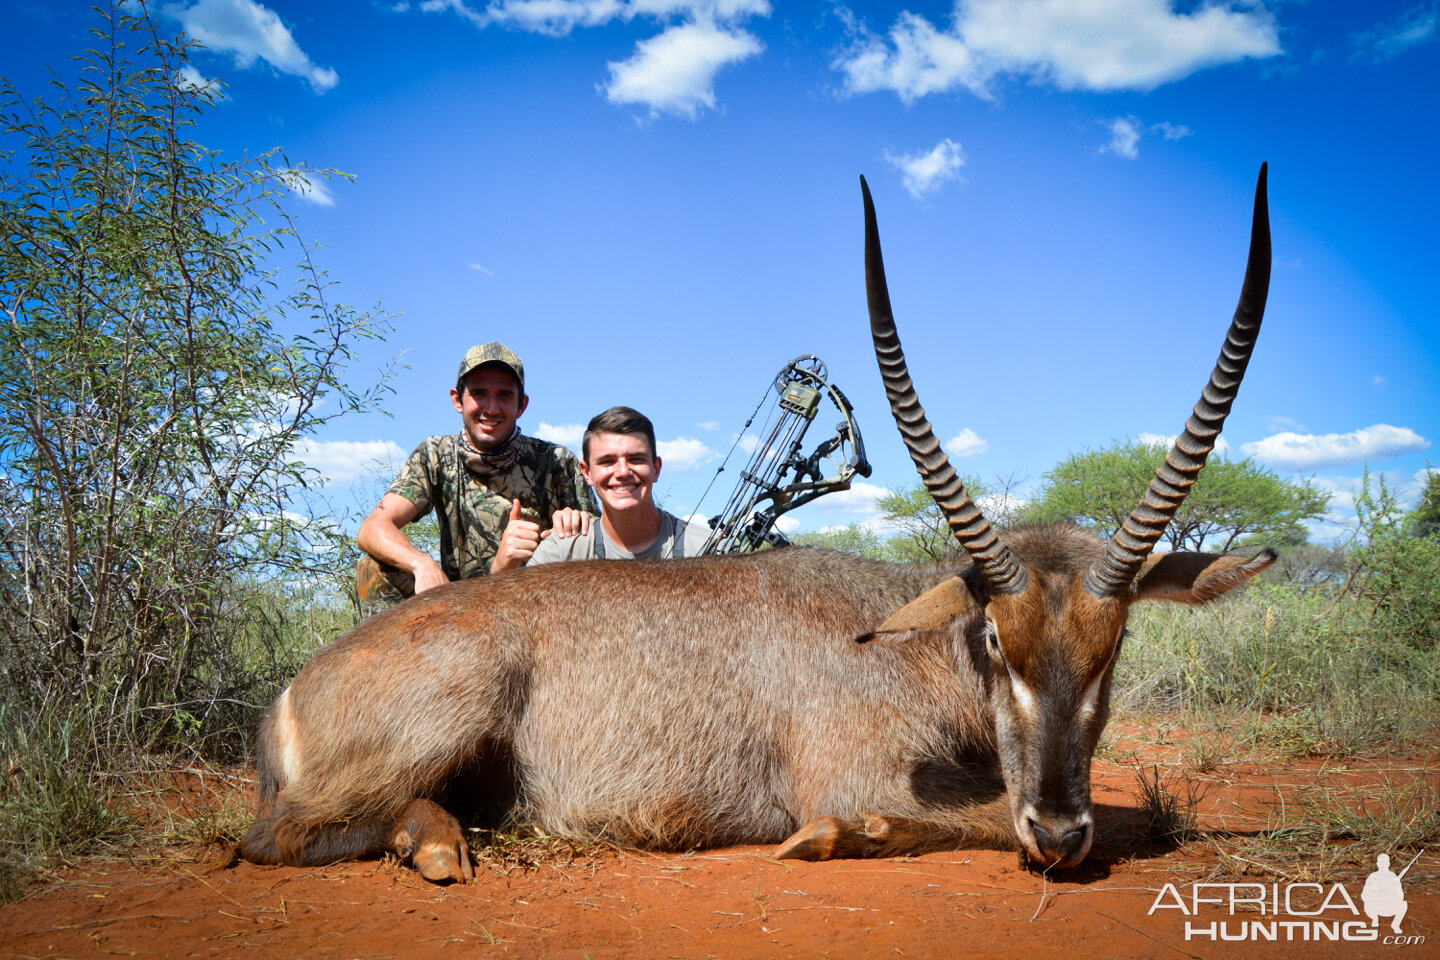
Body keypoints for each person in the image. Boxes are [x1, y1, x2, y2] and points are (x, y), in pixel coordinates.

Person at [356, 342, 597, 613]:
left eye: (505, 395)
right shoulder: (435, 454)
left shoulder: (557, 461)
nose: (491, 408)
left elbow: (600, 541)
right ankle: (399, 656)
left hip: (535, 605)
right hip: (460, 610)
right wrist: (421, 564)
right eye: (479, 394)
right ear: (457, 400)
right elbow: (372, 528)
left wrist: (569, 530)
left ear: (522, 405)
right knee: (372, 568)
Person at [529, 405, 710, 564]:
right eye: (607, 461)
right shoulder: (560, 552)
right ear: (587, 473)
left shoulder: (708, 548)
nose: (623, 472)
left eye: (636, 459)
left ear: (656, 468)